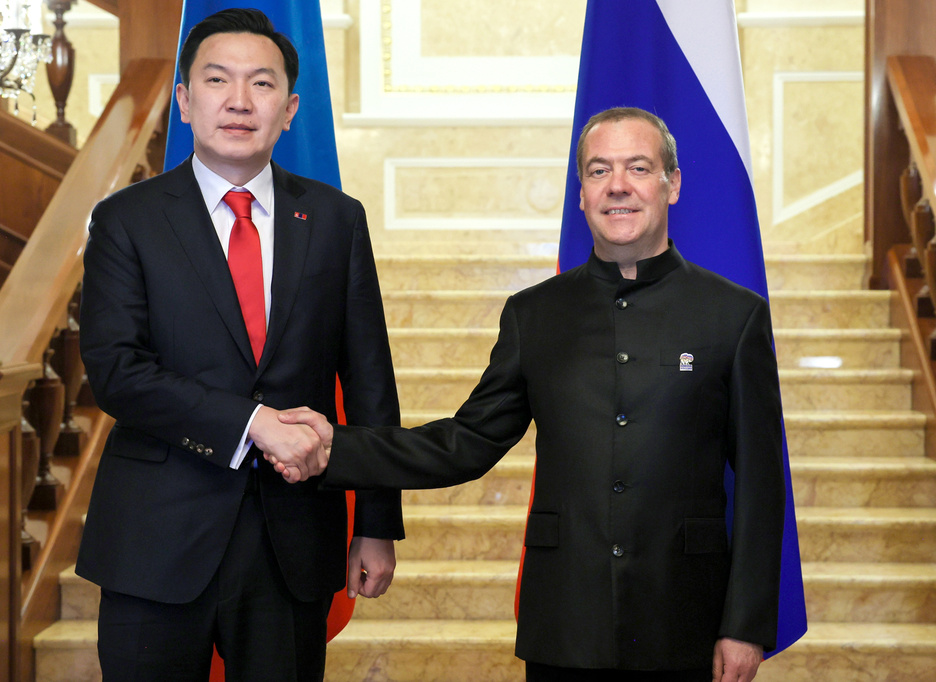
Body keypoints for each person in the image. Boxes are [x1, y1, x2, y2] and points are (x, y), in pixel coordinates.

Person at [270, 107, 786, 682]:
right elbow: (465, 442)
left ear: (673, 183)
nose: (618, 185)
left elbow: (763, 487)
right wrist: (334, 449)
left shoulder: (734, 317)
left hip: (686, 619)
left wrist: (745, 624)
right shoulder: (534, 315)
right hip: (566, 622)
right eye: (598, 171)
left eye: (638, 168)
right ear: (582, 194)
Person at [75, 8, 403, 681]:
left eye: (261, 84)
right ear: (185, 101)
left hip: (291, 542)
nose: (239, 101)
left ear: (290, 109)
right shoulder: (125, 221)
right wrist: (252, 424)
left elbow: (370, 378)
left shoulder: (336, 220)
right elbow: (117, 372)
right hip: (155, 538)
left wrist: (376, 520)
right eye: (218, 80)